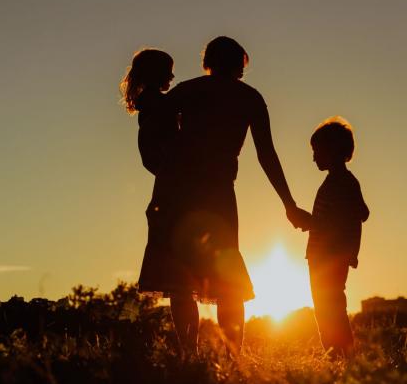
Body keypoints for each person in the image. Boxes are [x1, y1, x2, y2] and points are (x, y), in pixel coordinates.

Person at [136, 36, 306, 356]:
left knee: (180, 280)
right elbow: (266, 154)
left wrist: (164, 172)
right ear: (241, 63)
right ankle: (233, 358)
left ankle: (189, 354)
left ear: (208, 61)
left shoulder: (187, 91)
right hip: (218, 194)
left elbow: (150, 135)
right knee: (229, 281)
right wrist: (289, 204)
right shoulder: (250, 98)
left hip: (178, 192)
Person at [297, 117, 369, 357]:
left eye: (318, 152)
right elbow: (358, 213)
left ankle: (340, 354)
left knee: (330, 307)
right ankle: (335, 354)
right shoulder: (337, 182)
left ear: (335, 151)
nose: (314, 157)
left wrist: (311, 222)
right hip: (320, 256)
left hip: (329, 256)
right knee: (326, 306)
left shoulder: (343, 183)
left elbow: (356, 215)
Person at [120, 49, 178, 175]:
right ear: (155, 73)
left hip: (167, 171)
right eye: (168, 71)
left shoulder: (148, 104)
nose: (172, 76)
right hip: (172, 169)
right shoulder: (159, 103)